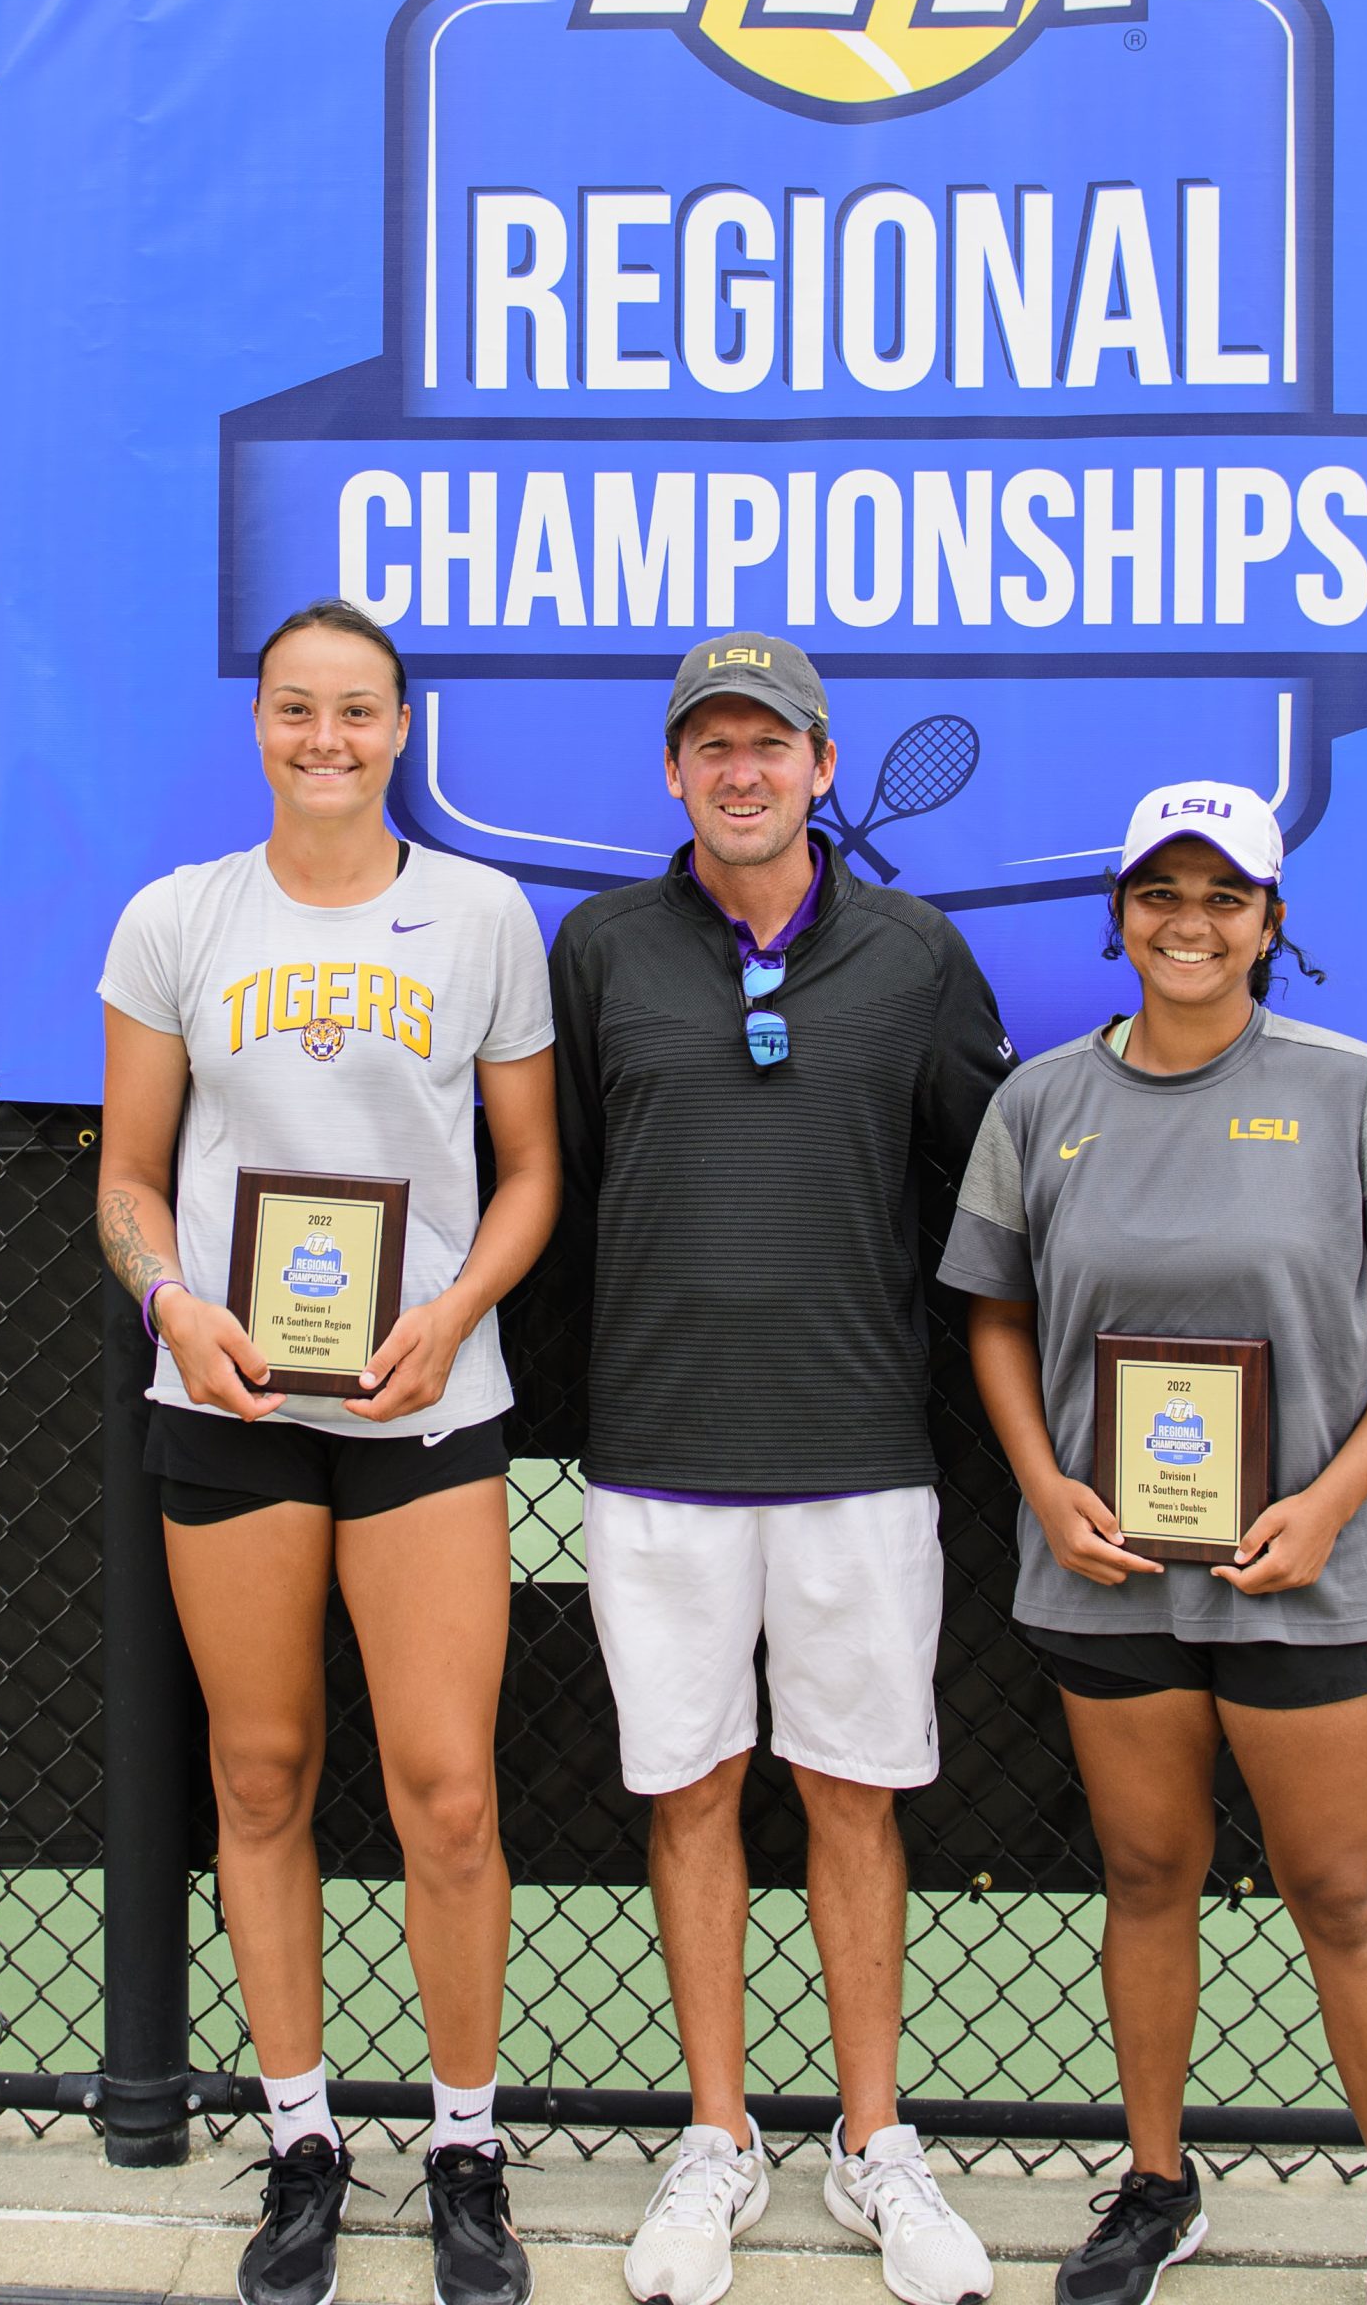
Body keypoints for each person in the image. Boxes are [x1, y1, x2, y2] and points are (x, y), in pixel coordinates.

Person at [937, 781, 1367, 2305]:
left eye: (1222, 896)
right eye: (1160, 894)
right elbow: (992, 1317)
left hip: (1313, 1567)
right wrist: (1044, 1484)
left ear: (1269, 922)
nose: (1189, 923)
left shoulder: (1346, 1084)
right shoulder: (1040, 1104)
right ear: (1116, 918)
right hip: (1111, 1574)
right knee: (1149, 1871)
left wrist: (1331, 1502)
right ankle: (1159, 2184)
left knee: (1342, 1895)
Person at [96, 602, 557, 2305]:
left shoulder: (482, 916)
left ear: (401, 727)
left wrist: (450, 1316)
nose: (327, 741)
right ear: (263, 722)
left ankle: (461, 2142)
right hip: (229, 1411)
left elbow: (530, 1177)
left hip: (424, 1409)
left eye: (358, 713)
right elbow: (131, 1181)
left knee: (447, 1788)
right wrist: (174, 1312)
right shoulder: (178, 920)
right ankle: (300, 2134)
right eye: (299, 710)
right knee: (262, 1774)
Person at [551, 634, 1013, 2305]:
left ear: (825, 765)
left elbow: (981, 1196)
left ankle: (875, 2141)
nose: (741, 771)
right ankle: (720, 2135)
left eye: (772, 744)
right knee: (685, 1792)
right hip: (657, 1456)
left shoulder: (917, 954)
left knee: (851, 1793)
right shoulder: (599, 951)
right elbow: (581, 1185)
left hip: (862, 1458)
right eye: (711, 746)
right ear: (674, 774)